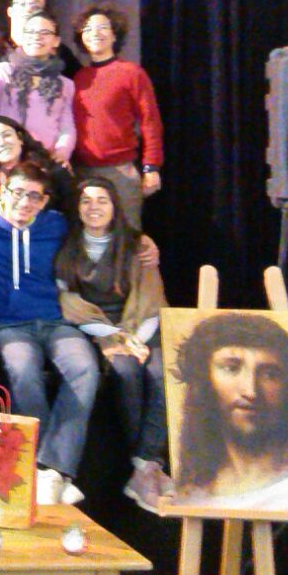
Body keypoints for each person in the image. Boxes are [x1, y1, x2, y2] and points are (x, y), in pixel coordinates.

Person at [0, 162, 97, 505]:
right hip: (8, 325)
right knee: (23, 372)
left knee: (85, 369)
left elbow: (104, 229)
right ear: (3, 189)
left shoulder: (56, 225)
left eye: (35, 196)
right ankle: (46, 470)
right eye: (18, 192)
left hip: (55, 322)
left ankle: (52, 467)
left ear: (45, 200)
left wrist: (143, 243)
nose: (25, 202)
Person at [55, 177, 174, 512]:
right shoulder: (67, 248)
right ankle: (146, 467)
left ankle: (145, 465)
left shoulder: (137, 244)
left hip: (143, 325)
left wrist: (136, 337)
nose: (94, 207)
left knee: (163, 373)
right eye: (86, 201)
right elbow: (71, 304)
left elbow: (151, 298)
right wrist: (114, 337)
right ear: (77, 208)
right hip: (100, 328)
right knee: (126, 371)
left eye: (102, 200)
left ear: (114, 206)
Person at [171, 313, 288, 512]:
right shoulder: (192, 496)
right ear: (204, 380)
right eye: (231, 368)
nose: (251, 391)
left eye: (269, 374)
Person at [70, 5, 164, 229]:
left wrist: (151, 167)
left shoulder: (131, 73)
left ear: (114, 35)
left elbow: (150, 122)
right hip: (83, 172)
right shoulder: (78, 78)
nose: (95, 33)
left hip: (120, 171)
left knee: (126, 235)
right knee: (87, 236)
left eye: (102, 27)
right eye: (88, 29)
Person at [0, 11, 76, 163]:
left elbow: (66, 126)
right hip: (6, 159)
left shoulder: (65, 84)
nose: (37, 37)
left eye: (44, 33)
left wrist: (62, 152)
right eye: (30, 32)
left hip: (44, 161)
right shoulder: (0, 72)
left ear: (56, 41)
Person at [0, 115, 75, 214]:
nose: (1, 143)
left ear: (20, 138)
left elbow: (71, 214)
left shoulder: (54, 173)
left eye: (6, 135)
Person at [3, 0, 79, 78]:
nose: (28, 9)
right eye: (22, 4)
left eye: (35, 6)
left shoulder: (60, 52)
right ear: (10, 11)